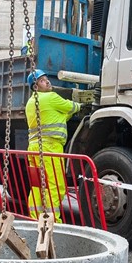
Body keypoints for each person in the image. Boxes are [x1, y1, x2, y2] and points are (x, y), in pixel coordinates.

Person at [25, 69, 81, 223]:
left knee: (37, 186)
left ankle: (35, 218)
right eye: (42, 80)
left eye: (46, 78)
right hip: (50, 149)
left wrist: (63, 114)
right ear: (35, 86)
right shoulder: (51, 97)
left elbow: (56, 115)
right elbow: (71, 107)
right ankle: (53, 221)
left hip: (34, 148)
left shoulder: (31, 102)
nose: (47, 81)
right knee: (55, 185)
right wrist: (81, 104)